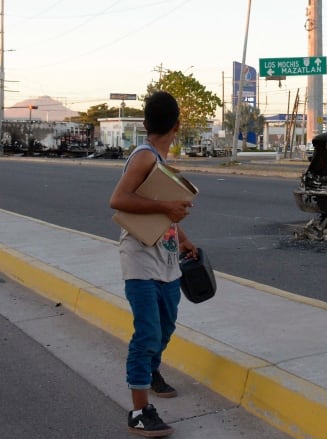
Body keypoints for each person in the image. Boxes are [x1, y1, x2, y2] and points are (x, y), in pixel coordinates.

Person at [109, 90, 197, 438]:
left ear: (146, 123)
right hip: (140, 261)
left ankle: (151, 371)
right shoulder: (144, 158)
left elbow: (163, 209)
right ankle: (139, 411)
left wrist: (184, 237)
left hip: (168, 259)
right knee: (147, 333)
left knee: (166, 326)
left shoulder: (159, 161)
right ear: (177, 125)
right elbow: (117, 200)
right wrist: (165, 210)